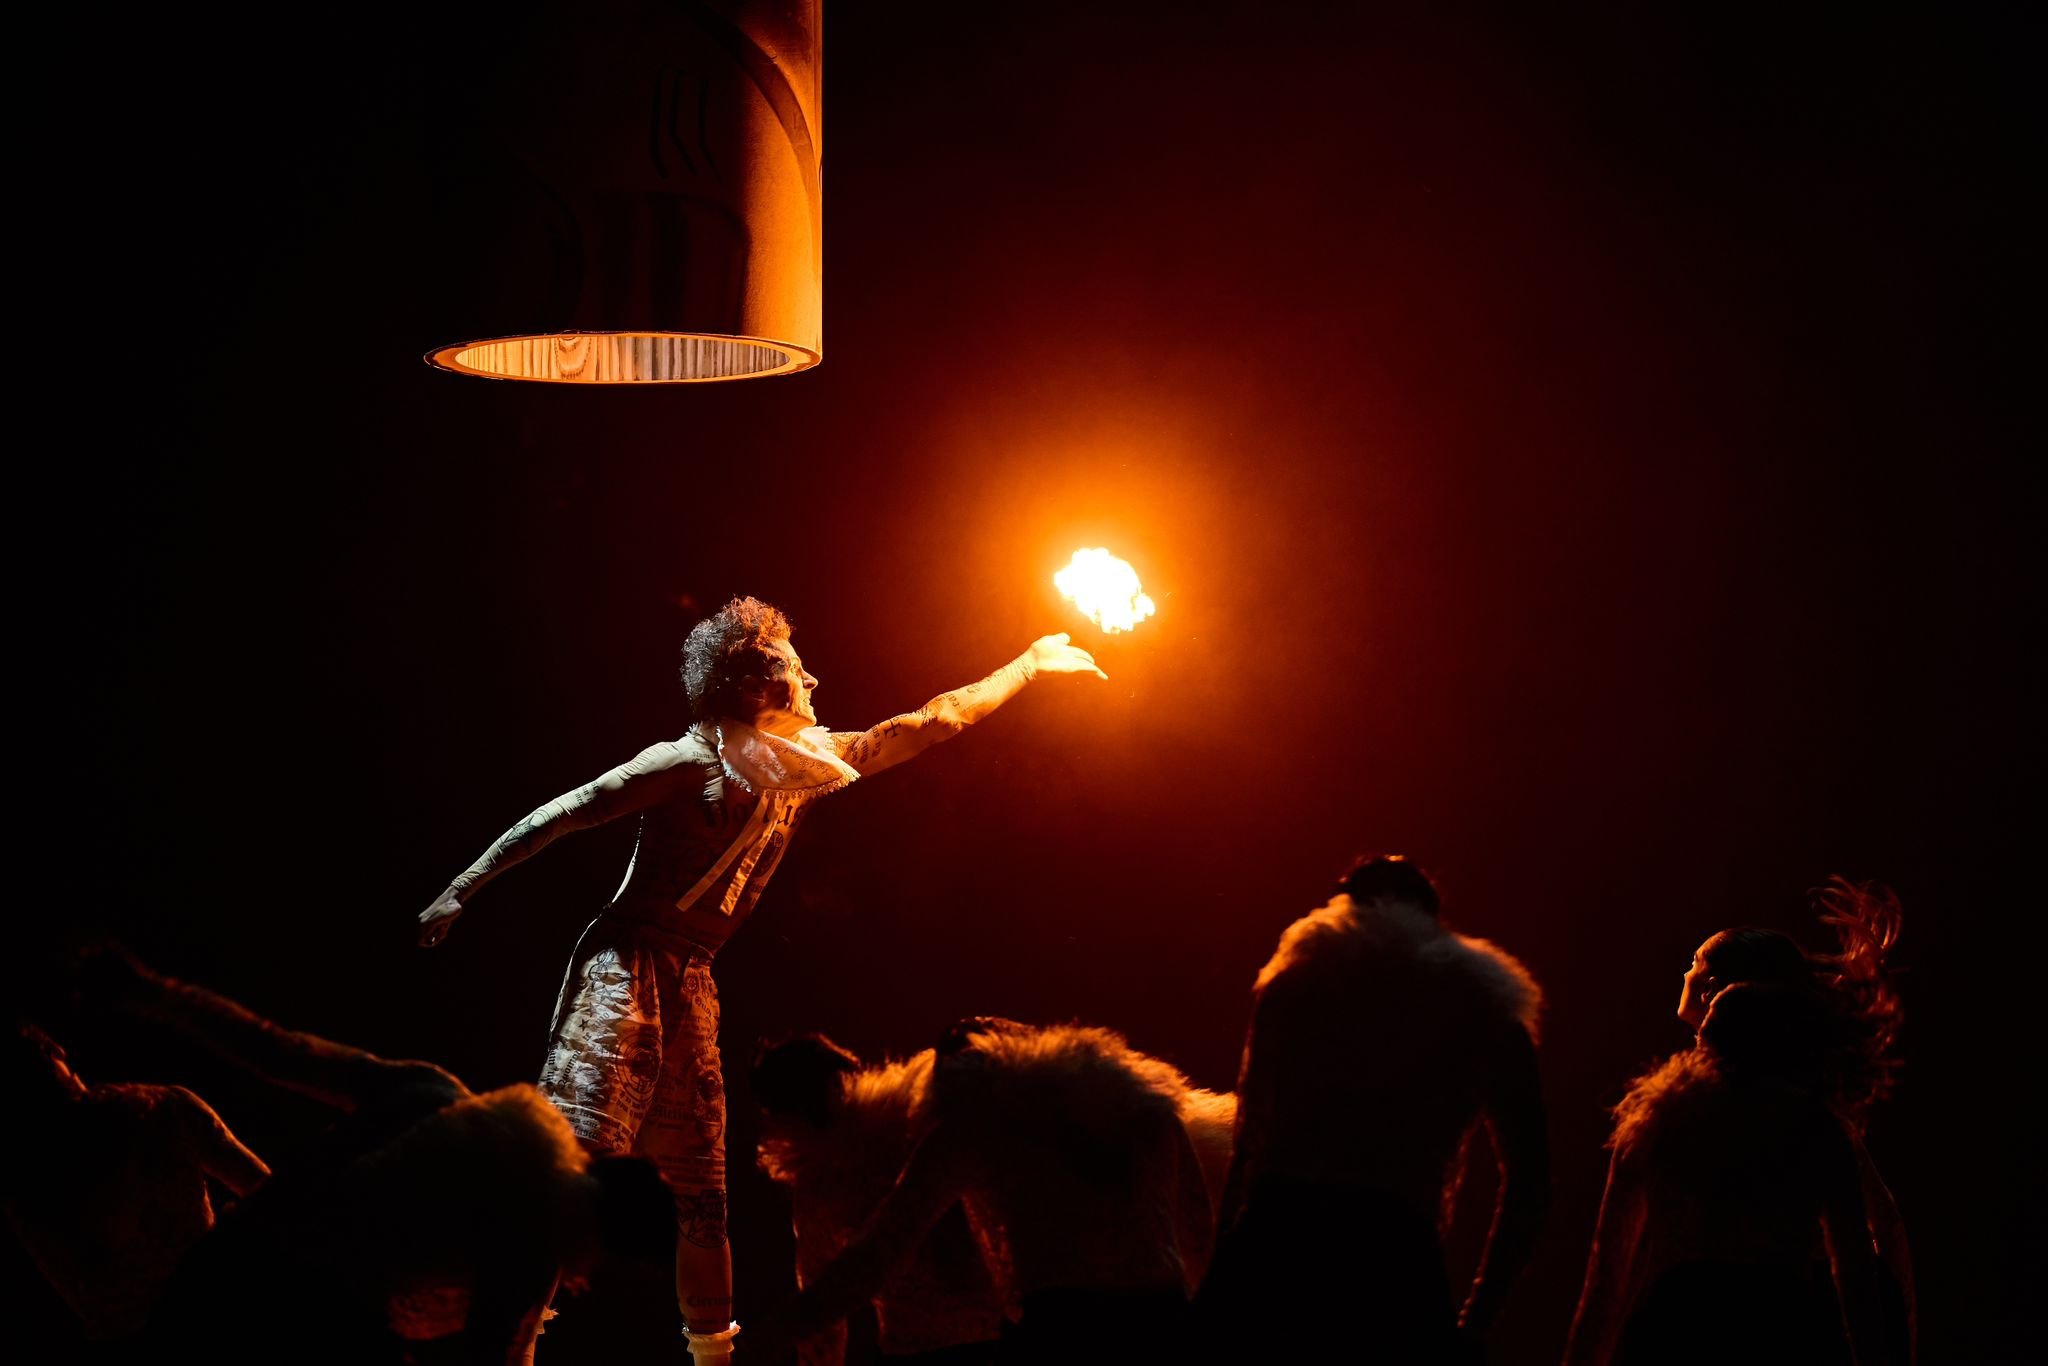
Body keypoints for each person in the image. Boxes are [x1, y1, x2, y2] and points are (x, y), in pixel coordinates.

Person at [415, 597, 1105, 1360]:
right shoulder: (688, 760)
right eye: (790, 662)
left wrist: (1029, 664)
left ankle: (713, 1357)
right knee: (574, 1159)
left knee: (700, 1181)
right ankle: (502, 1348)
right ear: (751, 683)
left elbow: (929, 723)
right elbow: (573, 811)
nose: (811, 675)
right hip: (627, 961)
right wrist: (462, 886)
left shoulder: (805, 767)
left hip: (692, 977)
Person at [100, 957, 678, 1366]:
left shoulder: (432, 1094)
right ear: (598, 1241)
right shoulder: (526, 1252)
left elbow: (280, 1050)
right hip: (303, 1334)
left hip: (226, 1272)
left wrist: (154, 993)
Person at [1201, 854, 1550, 1362]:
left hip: (1278, 1253)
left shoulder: (1295, 989)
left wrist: (1217, 1282)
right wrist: (1478, 1319)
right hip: (1391, 1268)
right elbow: (1530, 1179)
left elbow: (1250, 1142)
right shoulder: (1483, 1005)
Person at [1564, 877, 1912, 1366]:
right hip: (1786, 1325)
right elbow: (1879, 1237)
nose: (1683, 972)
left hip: (1687, 1327)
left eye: (1693, 963)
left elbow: (1610, 1273)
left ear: (1710, 990)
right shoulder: (1812, 1116)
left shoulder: (1664, 1117)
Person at [784, 1018, 1217, 1364]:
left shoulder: (973, 1122)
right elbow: (1201, 1237)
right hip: (1167, 1322)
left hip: (1066, 1330)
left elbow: (880, 1251)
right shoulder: (1148, 1113)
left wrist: (789, 1326)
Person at [4, 1018, 269, 1345]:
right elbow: (268, 1192)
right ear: (56, 1052)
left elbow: (91, 1307)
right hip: (234, 1314)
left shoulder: (25, 1196)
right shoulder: (161, 1106)